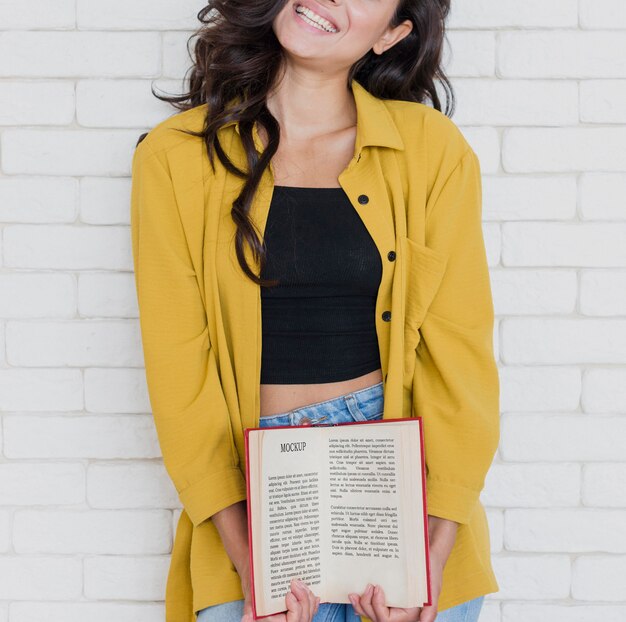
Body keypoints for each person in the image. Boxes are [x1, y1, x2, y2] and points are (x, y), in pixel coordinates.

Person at [130, 1, 500, 621]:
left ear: (393, 33)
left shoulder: (432, 151)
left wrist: (429, 561)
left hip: (399, 487)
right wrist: (252, 560)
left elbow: (461, 357)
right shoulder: (174, 157)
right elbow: (178, 374)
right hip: (253, 493)